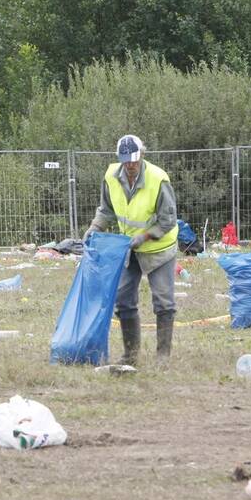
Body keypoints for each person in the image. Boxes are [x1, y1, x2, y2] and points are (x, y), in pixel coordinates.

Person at [84, 134, 178, 366]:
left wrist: (145, 236)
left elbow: (168, 220)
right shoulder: (111, 177)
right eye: (126, 161)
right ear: (120, 159)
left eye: (135, 161)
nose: (131, 165)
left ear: (142, 156)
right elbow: (106, 210)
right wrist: (94, 227)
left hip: (159, 249)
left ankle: (163, 356)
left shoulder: (158, 179)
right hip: (129, 249)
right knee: (123, 299)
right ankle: (131, 355)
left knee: (163, 302)